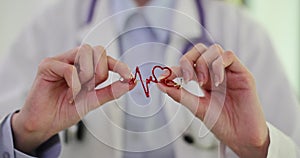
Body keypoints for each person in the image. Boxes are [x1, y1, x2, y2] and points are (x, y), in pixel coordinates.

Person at [0, 0, 299, 157]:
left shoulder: (243, 34)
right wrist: (25, 134)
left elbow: (290, 145)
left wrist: (257, 148)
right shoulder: (49, 27)